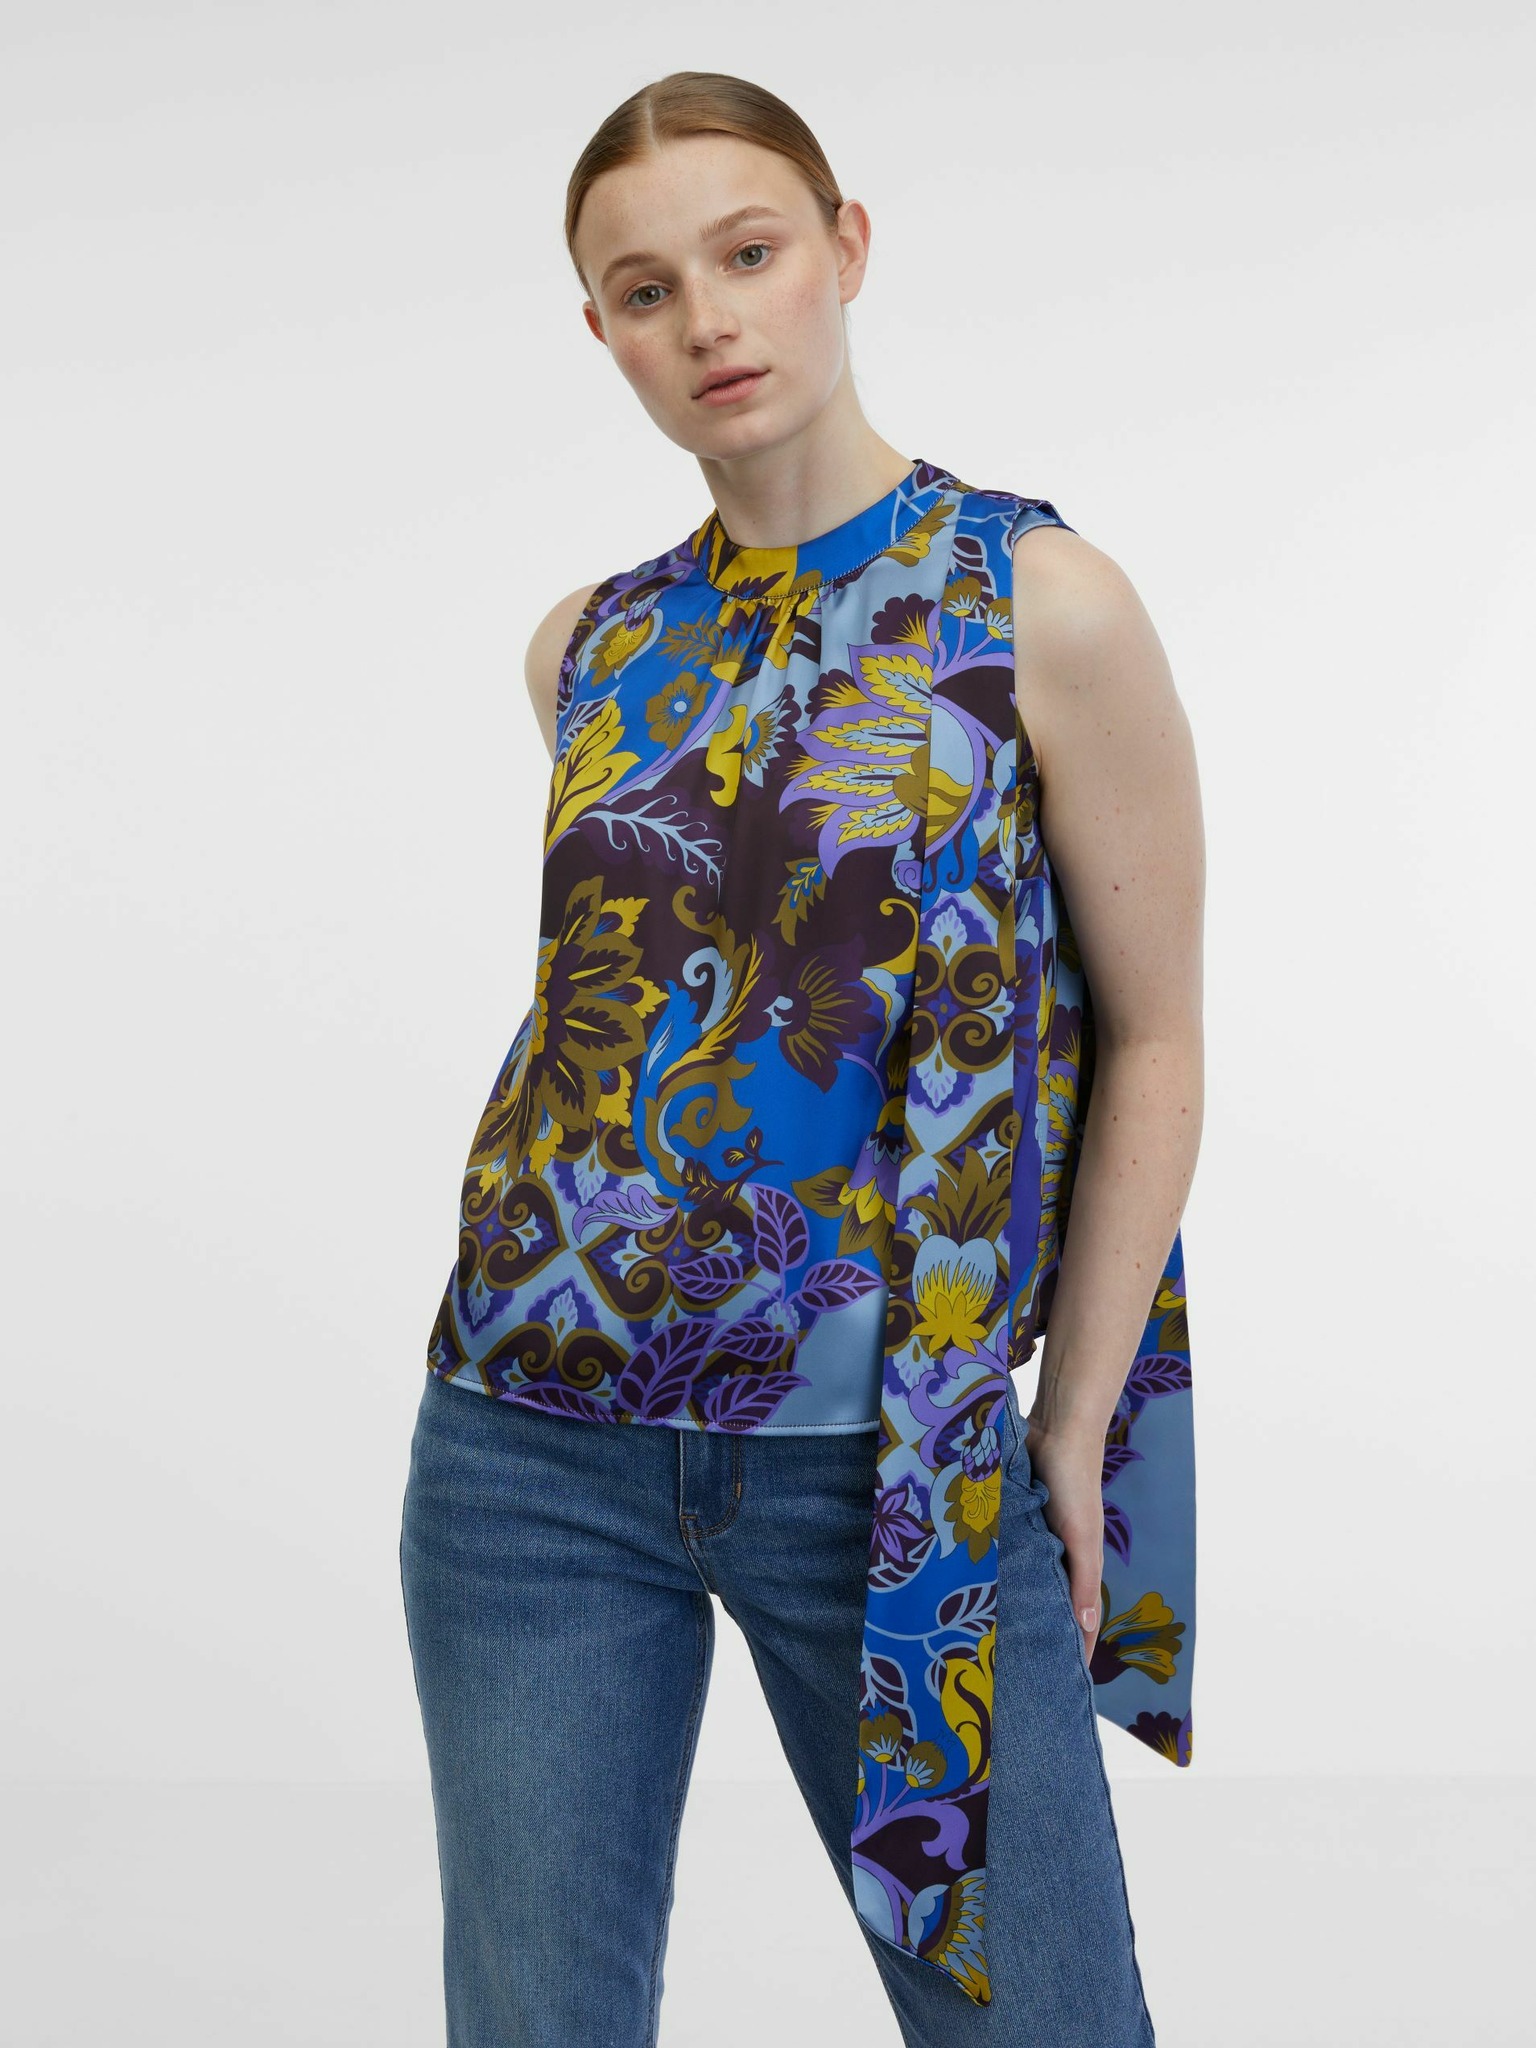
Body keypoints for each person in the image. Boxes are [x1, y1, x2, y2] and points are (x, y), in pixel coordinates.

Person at [399, 68, 1204, 2048]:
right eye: (646, 290)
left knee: (1043, 2021)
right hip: (527, 1440)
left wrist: (1072, 1425)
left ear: (844, 250)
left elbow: (1159, 1033)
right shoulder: (586, 646)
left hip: (888, 1455)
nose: (710, 321)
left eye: (748, 254)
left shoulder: (1040, 603)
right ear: (602, 332)